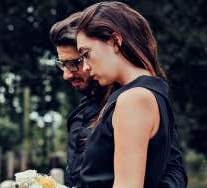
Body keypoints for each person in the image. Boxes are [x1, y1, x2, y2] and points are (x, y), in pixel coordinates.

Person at [75, 2, 187, 188]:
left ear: (115, 41)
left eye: (86, 54)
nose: (85, 67)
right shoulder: (150, 93)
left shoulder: (134, 100)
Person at [49, 12, 109, 188]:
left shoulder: (129, 103)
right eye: (63, 64)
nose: (66, 75)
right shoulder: (82, 110)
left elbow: (171, 171)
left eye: (74, 63)